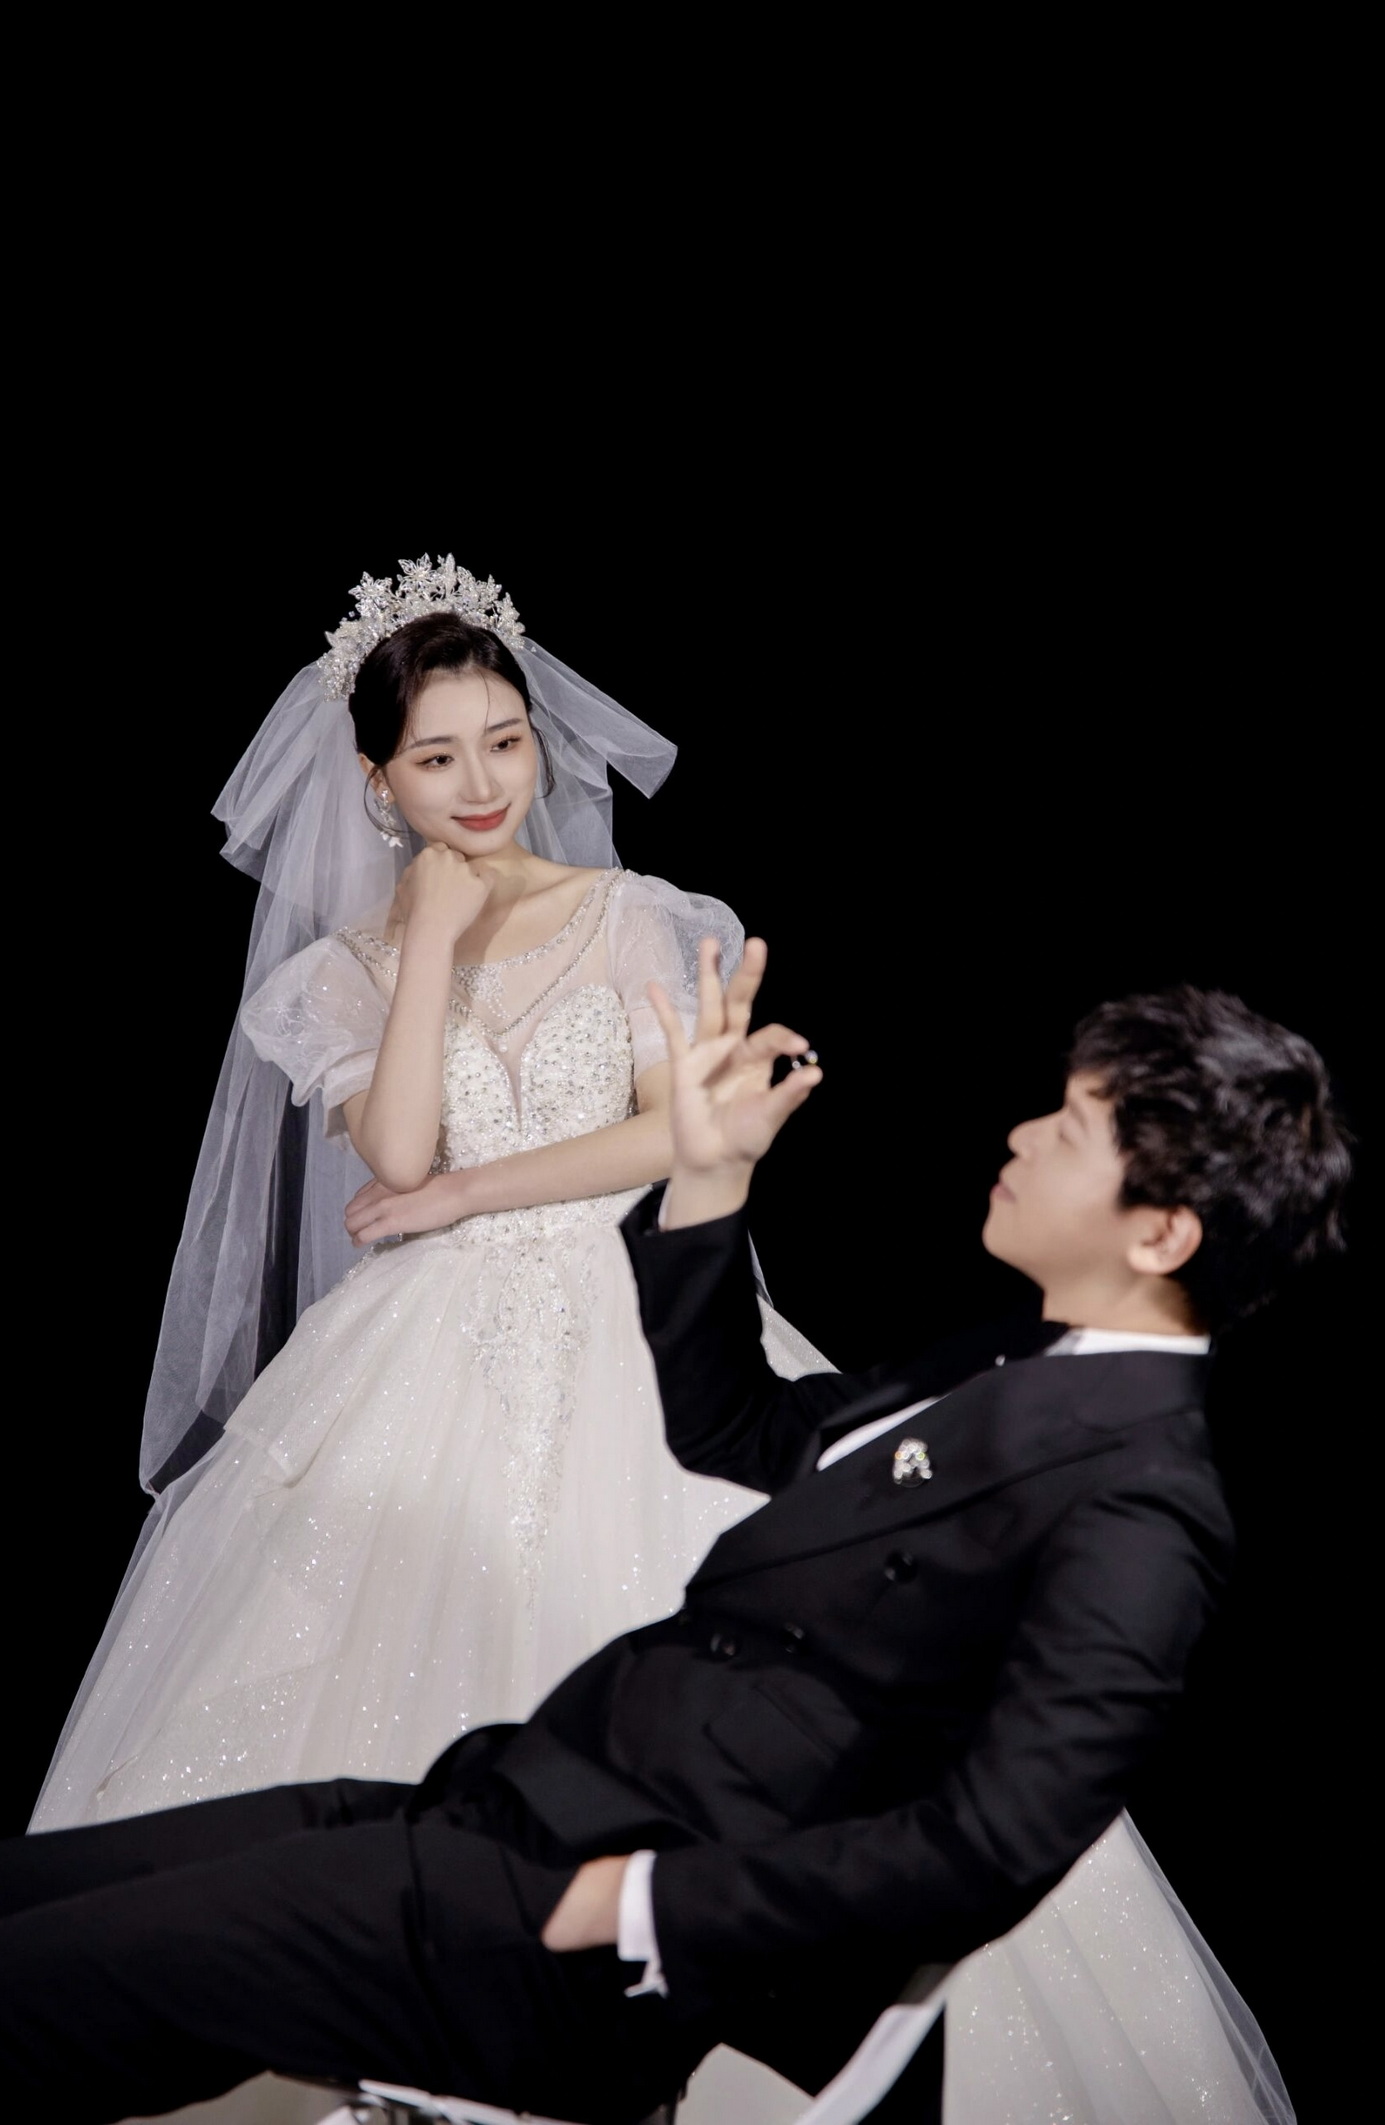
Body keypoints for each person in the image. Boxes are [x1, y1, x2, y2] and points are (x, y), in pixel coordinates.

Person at [2, 948, 1345, 2124]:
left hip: (561, 1945)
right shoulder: (1013, 1360)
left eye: (1070, 1128)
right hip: (503, 1808)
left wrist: (640, 1909)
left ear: (1160, 1231)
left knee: (43, 1987)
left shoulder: (1142, 1500)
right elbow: (732, 1429)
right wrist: (707, 1176)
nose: (1021, 1133)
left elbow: (991, 1846)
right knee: (35, 1900)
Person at [31, 559, 826, 1836]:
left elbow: (674, 1136)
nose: (481, 784)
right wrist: (426, 950)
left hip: (634, 1303)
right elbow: (397, 1156)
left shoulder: (630, 916)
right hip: (425, 1342)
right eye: (435, 758)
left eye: (504, 742)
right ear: (376, 780)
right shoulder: (338, 973)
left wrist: (469, 1191)